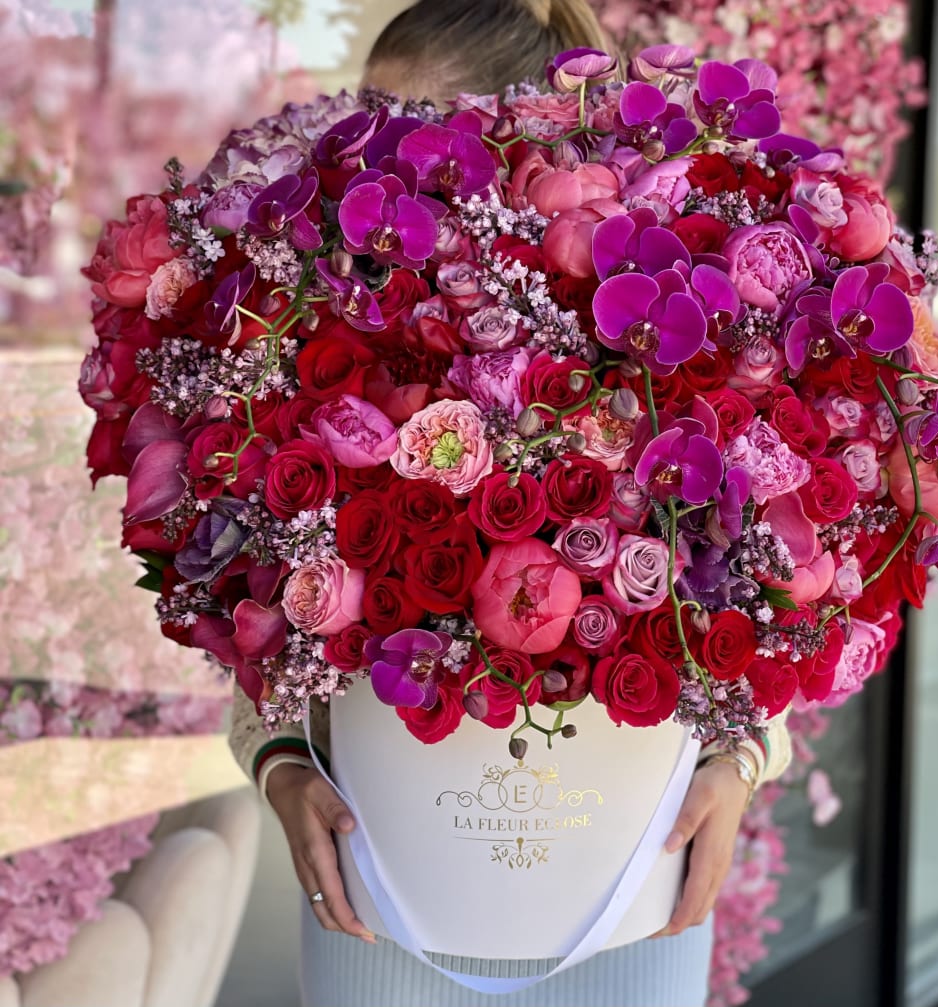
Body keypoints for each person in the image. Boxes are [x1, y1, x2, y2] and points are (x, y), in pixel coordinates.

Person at [228, 2, 793, 1005]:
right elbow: (259, 599)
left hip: (622, 897)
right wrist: (276, 758)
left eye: (425, 134)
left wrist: (742, 757)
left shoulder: (653, 339)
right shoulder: (310, 343)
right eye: (365, 130)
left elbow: (776, 589)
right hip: (388, 896)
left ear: (534, 137)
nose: (381, 167)